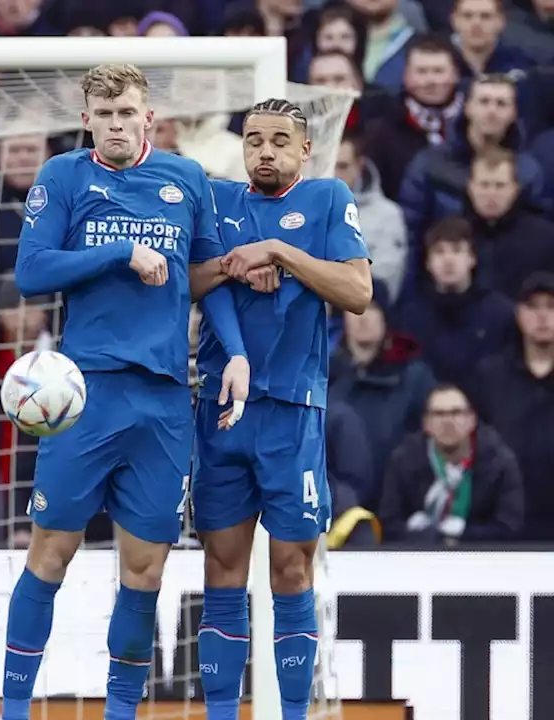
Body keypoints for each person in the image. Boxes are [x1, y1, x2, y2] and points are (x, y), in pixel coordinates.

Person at [0, 63, 251, 720]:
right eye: (103, 113)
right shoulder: (62, 177)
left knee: (145, 571)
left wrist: (238, 354)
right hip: (83, 398)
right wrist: (119, 253)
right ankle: (14, 709)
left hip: (165, 400)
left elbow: (208, 274)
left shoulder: (186, 178)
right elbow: (31, 272)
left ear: (148, 116)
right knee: (51, 551)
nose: (116, 123)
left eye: (127, 112)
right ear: (87, 119)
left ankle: (119, 712)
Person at [190, 98, 373, 720]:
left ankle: (293, 714)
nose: (264, 150)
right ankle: (220, 712)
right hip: (221, 409)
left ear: (303, 150)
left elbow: (358, 291)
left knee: (292, 569)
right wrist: (232, 266)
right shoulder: (216, 201)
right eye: (253, 139)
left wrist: (280, 251)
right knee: (222, 569)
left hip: (292, 413)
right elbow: (182, 284)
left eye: (278, 141)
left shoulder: (326, 198)